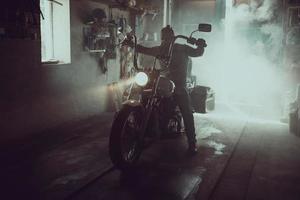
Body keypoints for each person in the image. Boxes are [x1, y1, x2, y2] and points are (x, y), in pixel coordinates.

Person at [124, 25, 207, 154]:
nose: (166, 39)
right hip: (165, 84)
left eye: (168, 36)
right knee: (150, 100)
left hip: (179, 85)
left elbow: (198, 53)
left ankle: (192, 142)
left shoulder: (182, 48)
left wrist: (201, 45)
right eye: (164, 37)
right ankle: (150, 129)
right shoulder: (160, 49)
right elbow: (143, 49)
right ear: (162, 38)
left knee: (187, 113)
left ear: (173, 37)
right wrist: (131, 44)